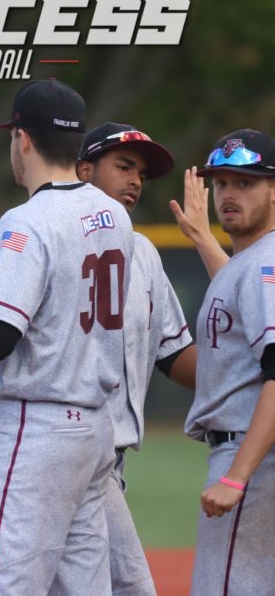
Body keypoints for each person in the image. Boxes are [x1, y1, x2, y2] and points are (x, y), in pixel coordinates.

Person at [0, 79, 135, 594]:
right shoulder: (114, 214)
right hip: (95, 432)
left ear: (21, 139)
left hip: (37, 429)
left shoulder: (27, 221)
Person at [76, 122, 196, 596]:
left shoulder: (143, 252)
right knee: (132, 587)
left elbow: (177, 356)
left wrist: (251, 372)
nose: (135, 180)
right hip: (73, 448)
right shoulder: (49, 234)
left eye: (140, 173)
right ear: (84, 170)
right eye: (123, 166)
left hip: (112, 462)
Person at [178, 129, 275, 595]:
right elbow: (238, 297)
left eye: (246, 182)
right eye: (221, 183)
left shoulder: (264, 265)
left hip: (252, 461)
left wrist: (237, 477)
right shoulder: (252, 264)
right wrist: (201, 237)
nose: (229, 194)